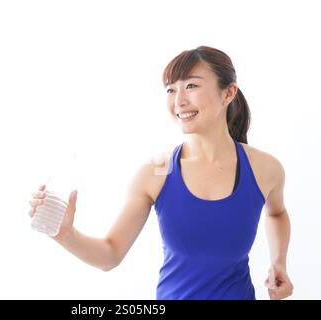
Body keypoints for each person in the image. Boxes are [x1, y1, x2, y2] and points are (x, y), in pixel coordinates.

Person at [28, 46, 293, 300]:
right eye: (170, 89)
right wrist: (65, 234)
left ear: (228, 93)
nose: (179, 101)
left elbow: (277, 212)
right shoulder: (155, 173)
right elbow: (110, 254)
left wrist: (278, 262)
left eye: (191, 85)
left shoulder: (264, 168)